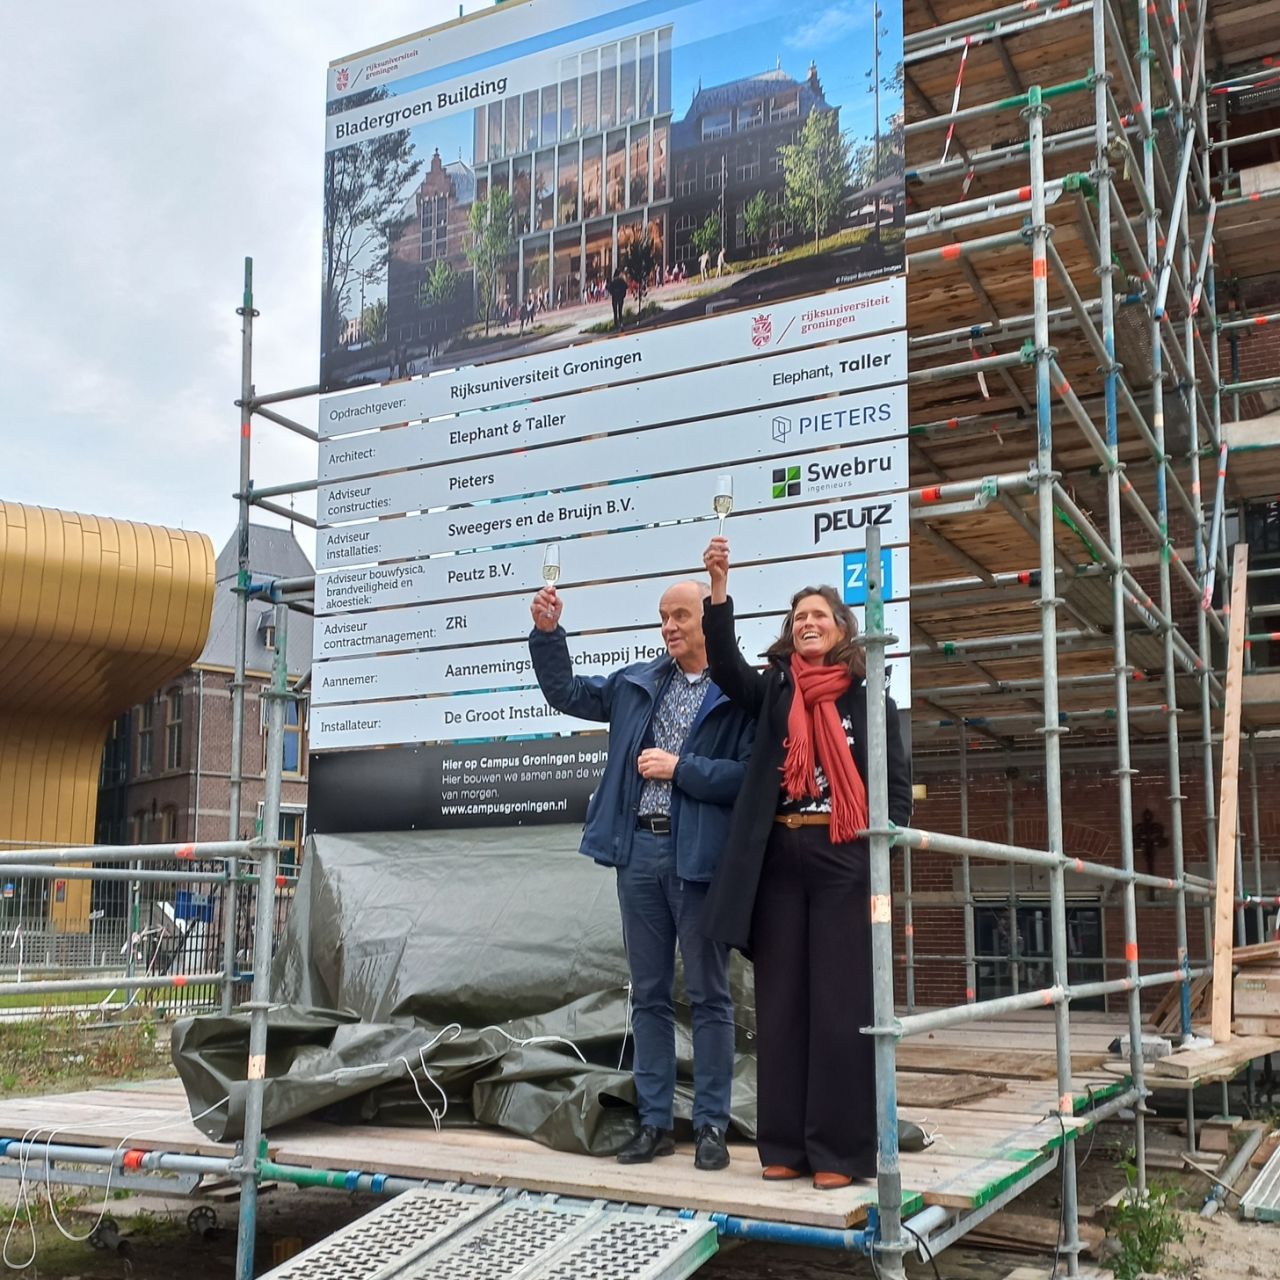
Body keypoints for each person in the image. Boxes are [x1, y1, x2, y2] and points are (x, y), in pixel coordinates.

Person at [699, 536, 913, 1190]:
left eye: (819, 615)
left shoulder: (870, 700)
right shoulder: (772, 694)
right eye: (799, 619)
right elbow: (728, 670)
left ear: (841, 630)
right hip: (779, 861)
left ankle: (840, 1152)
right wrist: (718, 591)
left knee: (841, 1006)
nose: (808, 624)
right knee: (783, 1006)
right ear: (790, 636)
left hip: (841, 857)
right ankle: (785, 1145)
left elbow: (896, 795)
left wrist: (882, 848)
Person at [529, 578, 755, 1171]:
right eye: (663, 618)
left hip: (700, 857)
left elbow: (747, 779)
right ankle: (653, 1123)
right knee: (648, 996)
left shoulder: (738, 693)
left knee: (709, 995)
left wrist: (680, 769)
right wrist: (549, 635)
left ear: (708, 622)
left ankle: (710, 1126)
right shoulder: (636, 683)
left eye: (680, 615)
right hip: (640, 856)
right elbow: (566, 692)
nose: (669, 627)